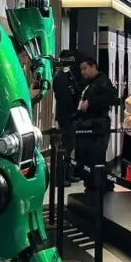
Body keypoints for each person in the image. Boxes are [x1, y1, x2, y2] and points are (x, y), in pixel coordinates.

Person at [76, 55, 118, 180]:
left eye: (85, 68)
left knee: (96, 159)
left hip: (98, 125)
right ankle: (89, 183)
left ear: (93, 66)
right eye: (81, 69)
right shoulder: (87, 83)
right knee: (86, 159)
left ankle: (97, 184)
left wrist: (91, 102)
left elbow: (112, 99)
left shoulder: (103, 81)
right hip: (85, 125)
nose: (82, 72)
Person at [52, 49, 81, 178]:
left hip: (72, 115)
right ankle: (61, 176)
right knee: (66, 145)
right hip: (65, 115)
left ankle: (68, 174)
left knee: (71, 145)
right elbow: (62, 97)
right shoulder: (59, 77)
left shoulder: (70, 75)